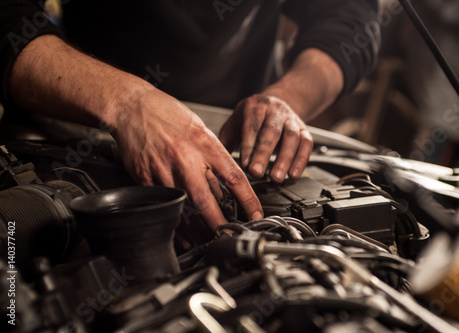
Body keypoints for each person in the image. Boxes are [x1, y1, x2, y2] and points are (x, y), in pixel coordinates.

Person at [0, 0, 379, 229]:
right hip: (82, 120)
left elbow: (348, 18)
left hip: (234, 126)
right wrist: (126, 103)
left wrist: (287, 97)